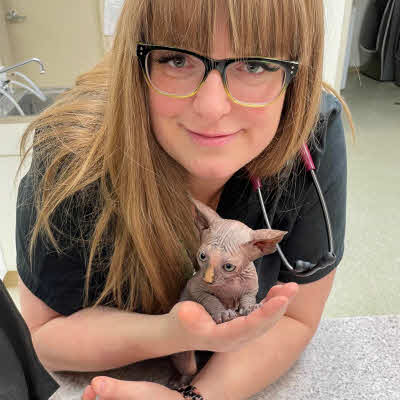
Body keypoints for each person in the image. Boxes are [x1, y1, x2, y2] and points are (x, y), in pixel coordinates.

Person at [15, 1, 353, 399]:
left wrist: (193, 397)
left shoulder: (311, 138)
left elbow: (295, 316)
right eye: (176, 59)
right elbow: (45, 335)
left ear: (298, 74)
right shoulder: (72, 155)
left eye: (255, 65)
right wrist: (171, 333)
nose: (212, 108)